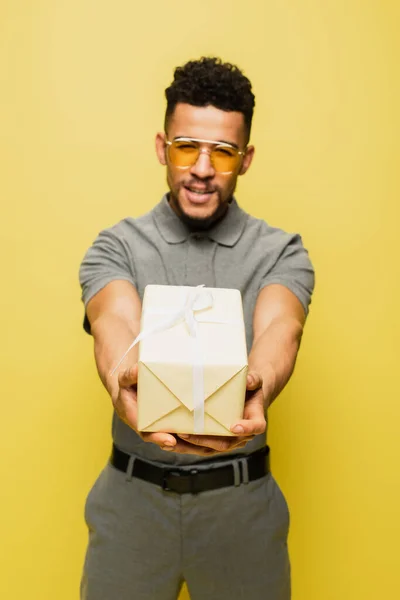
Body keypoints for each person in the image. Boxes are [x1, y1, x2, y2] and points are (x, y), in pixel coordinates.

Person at [79, 56, 315, 600]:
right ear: (163, 148)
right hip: (132, 503)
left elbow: (283, 327)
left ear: (245, 159)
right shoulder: (116, 245)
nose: (202, 169)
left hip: (242, 509)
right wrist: (122, 382)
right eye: (187, 147)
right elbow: (113, 318)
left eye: (223, 152)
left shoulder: (281, 251)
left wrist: (259, 384)